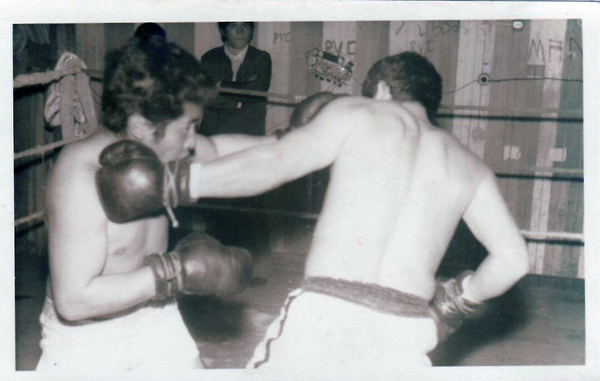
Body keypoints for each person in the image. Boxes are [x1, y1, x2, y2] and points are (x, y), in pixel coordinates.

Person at [180, 51, 529, 370]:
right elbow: (513, 261)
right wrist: (454, 304)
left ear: (378, 89)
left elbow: (274, 162)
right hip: (406, 327)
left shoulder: (358, 113)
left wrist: (177, 183)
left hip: (326, 313)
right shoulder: (470, 166)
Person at [37, 35, 276, 371]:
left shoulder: (161, 148)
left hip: (156, 317)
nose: (193, 142)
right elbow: (74, 301)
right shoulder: (80, 176)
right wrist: (175, 271)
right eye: (188, 128)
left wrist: (296, 139)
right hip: (86, 339)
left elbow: (220, 149)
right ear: (141, 126)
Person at [199, 22, 272, 136]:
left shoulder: (261, 58)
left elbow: (257, 90)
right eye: (233, 26)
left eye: (245, 26)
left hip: (249, 134)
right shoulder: (209, 58)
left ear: (252, 30)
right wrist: (242, 96)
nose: (240, 32)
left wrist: (221, 85)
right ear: (223, 31)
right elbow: (206, 97)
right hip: (214, 132)